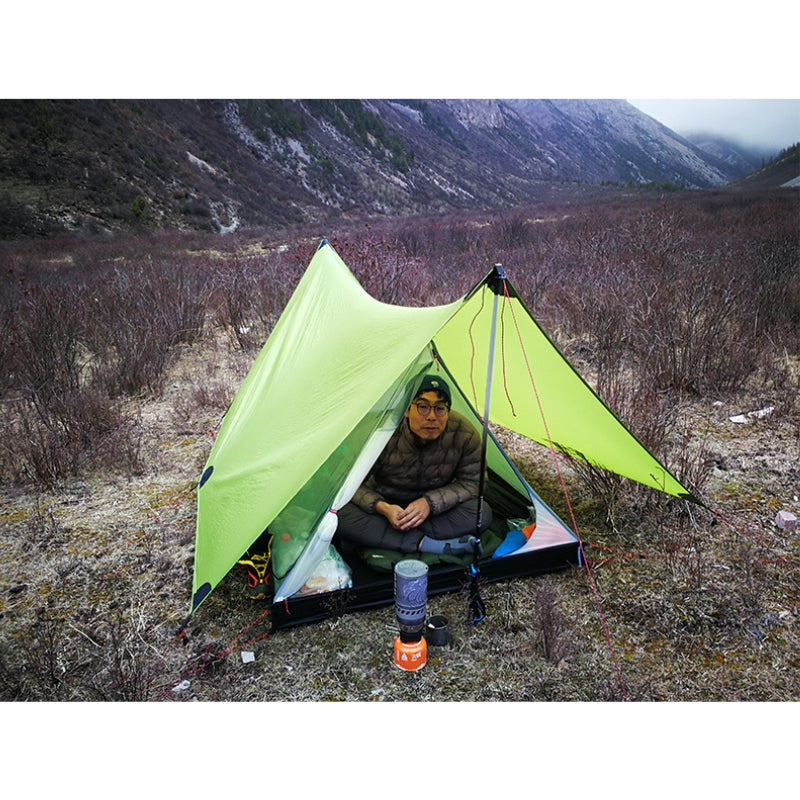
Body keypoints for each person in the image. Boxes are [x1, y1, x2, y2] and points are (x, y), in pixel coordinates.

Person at [336, 374, 491, 557]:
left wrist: (430, 503)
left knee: (481, 512)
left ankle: (383, 536)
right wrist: (382, 508)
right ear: (406, 410)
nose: (432, 417)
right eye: (422, 407)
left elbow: (474, 482)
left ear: (448, 412)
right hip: (387, 503)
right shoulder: (382, 432)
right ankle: (428, 544)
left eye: (440, 408)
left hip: (435, 510)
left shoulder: (463, 433)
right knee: (337, 513)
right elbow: (348, 483)